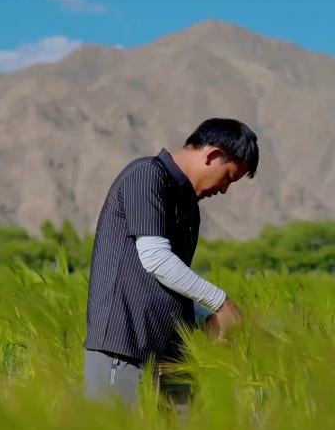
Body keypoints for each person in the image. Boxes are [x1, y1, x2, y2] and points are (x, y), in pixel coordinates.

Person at [82, 118, 259, 414]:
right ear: (212, 155)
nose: (224, 190)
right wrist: (221, 303)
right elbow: (156, 259)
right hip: (125, 348)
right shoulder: (145, 176)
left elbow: (168, 281)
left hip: (172, 357)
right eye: (228, 177)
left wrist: (204, 318)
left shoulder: (189, 207)